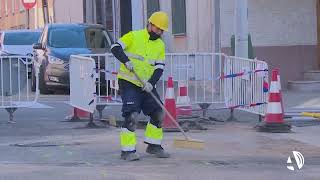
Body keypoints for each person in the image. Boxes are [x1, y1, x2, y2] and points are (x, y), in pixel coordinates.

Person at [110, 11, 170, 161]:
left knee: (158, 113)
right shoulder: (134, 36)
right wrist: (126, 61)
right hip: (129, 82)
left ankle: (153, 145)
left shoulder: (160, 45)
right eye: (158, 29)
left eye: (162, 30)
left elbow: (159, 68)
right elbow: (115, 47)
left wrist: (151, 83)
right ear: (149, 24)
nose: (160, 32)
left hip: (146, 85)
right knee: (132, 115)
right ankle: (128, 151)